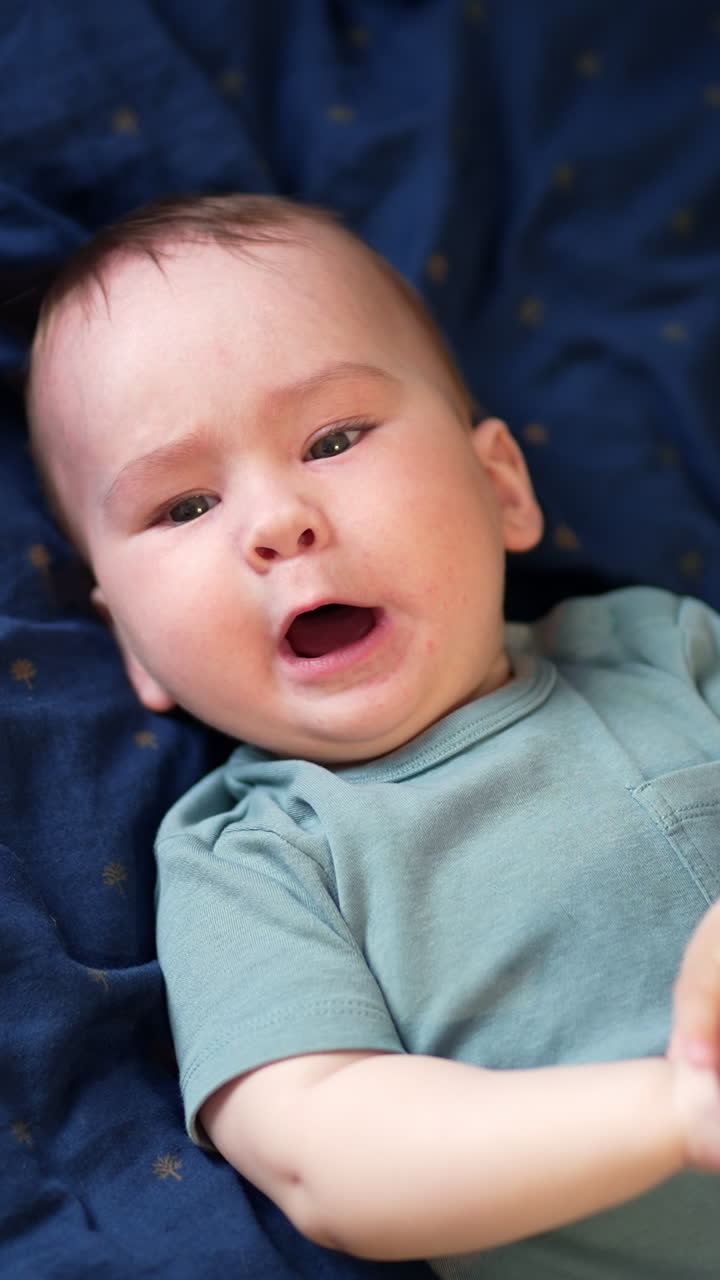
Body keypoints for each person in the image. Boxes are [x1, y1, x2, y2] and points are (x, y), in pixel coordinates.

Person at [26, 192, 720, 1279]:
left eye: (334, 437)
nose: (276, 522)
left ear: (500, 487)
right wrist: (677, 1105)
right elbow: (330, 1150)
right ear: (138, 652)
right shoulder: (254, 856)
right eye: (183, 507)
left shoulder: (657, 648)